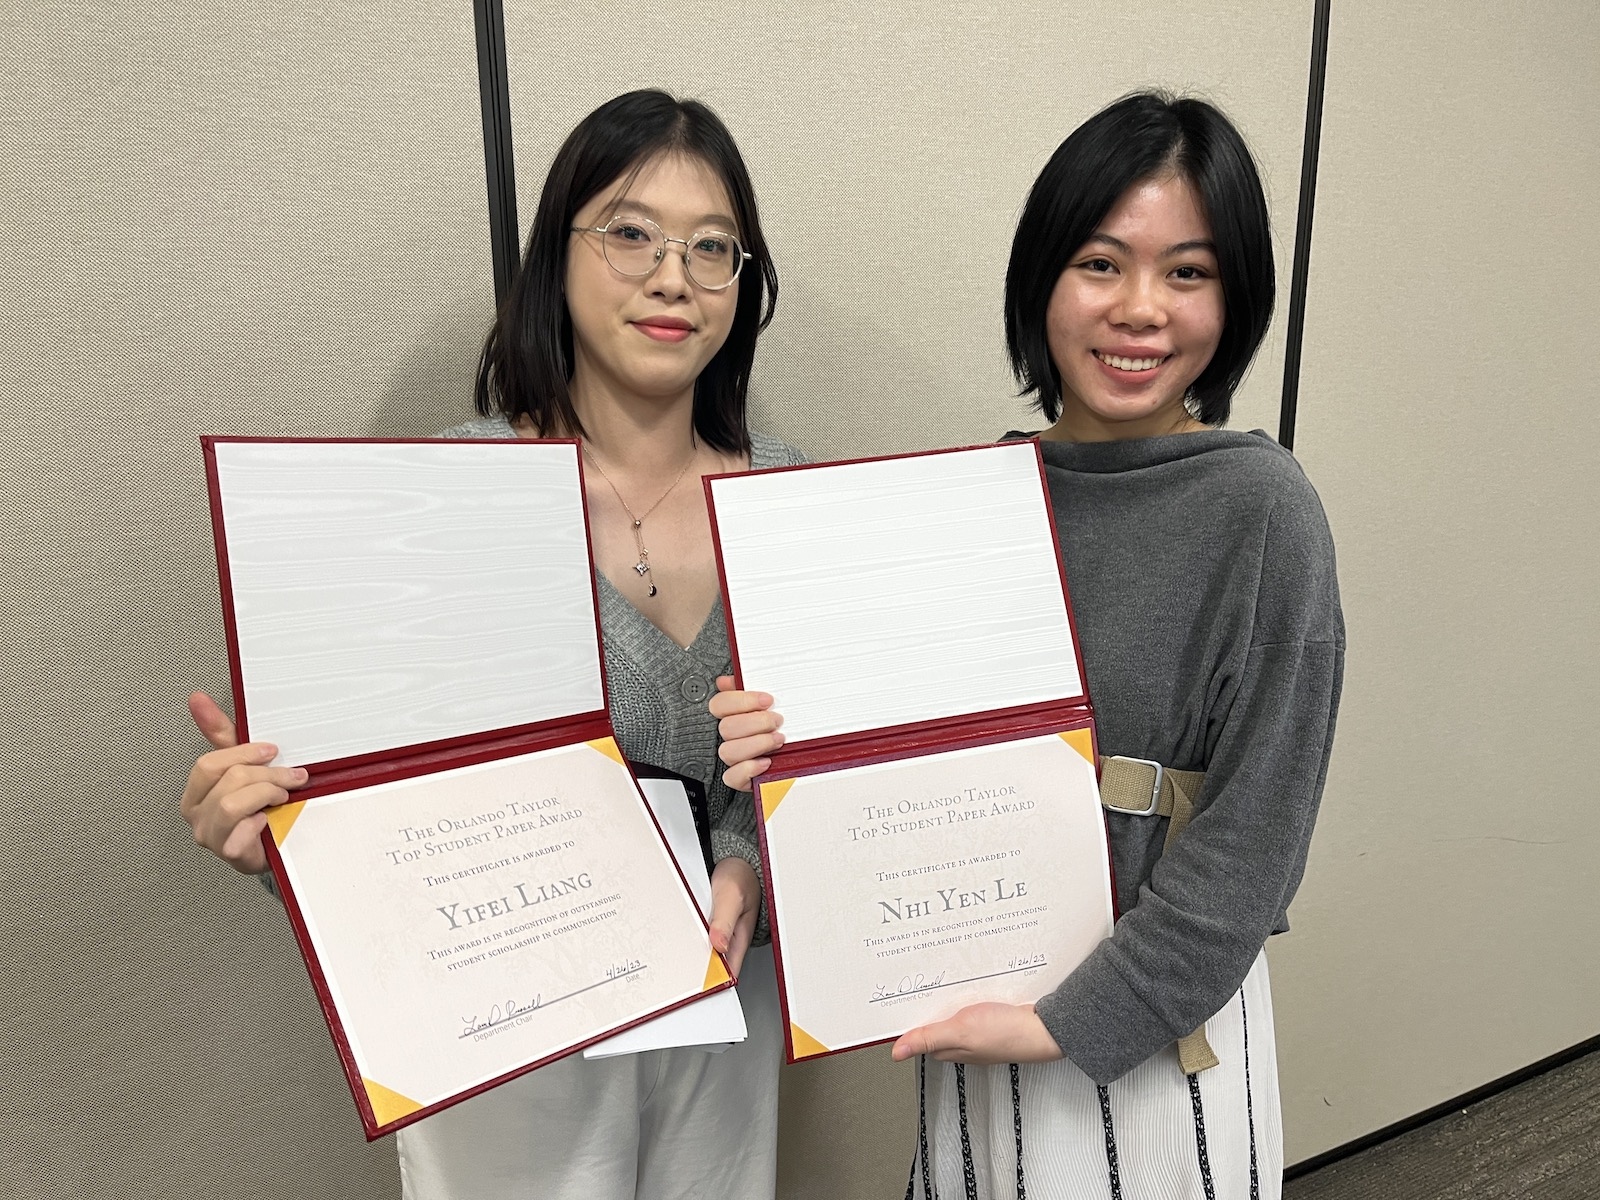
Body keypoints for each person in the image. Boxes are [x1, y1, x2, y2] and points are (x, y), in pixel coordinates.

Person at [713, 91, 1343, 1199]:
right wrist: (785, 746)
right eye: (1101, 263)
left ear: (1234, 298)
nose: (1140, 309)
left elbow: (1255, 842)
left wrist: (1073, 1022)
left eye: (1187, 273)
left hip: (1158, 1033)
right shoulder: (966, 498)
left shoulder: (1262, 509)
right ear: (1040, 279)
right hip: (972, 1009)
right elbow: (888, 755)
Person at [180, 89, 806, 1200]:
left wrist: (751, 862)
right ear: (552, 256)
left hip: (725, 1029)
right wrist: (278, 835)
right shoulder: (443, 495)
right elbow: (381, 814)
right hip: (505, 1051)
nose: (673, 276)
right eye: (630, 233)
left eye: (714, 248)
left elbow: (827, 775)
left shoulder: (800, 502)